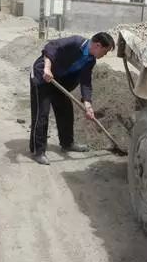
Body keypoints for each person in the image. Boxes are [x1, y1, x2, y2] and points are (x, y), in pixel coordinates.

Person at [29, 32, 115, 165]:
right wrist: (47, 68)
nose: (105, 55)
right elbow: (51, 47)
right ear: (98, 45)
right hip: (43, 76)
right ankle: (38, 151)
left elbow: (86, 82)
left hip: (59, 81)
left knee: (66, 111)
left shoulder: (90, 60)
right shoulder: (76, 42)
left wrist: (88, 104)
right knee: (42, 114)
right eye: (105, 51)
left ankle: (67, 143)